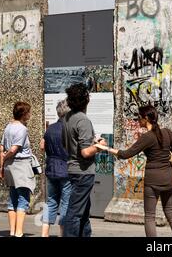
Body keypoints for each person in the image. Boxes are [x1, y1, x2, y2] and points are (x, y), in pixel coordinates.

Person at [101, 105, 172, 237]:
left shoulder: (147, 137)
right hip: (168, 178)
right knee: (171, 213)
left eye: (139, 117)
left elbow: (126, 154)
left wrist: (106, 149)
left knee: (150, 217)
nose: (137, 120)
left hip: (152, 180)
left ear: (146, 118)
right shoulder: (167, 132)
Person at [62, 83, 106, 237]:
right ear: (86, 100)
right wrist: (99, 145)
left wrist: (92, 140)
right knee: (75, 213)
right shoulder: (83, 120)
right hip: (83, 172)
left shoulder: (67, 117)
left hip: (72, 169)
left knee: (83, 212)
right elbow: (86, 152)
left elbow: (68, 142)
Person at [0, 101, 35, 237]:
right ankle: (19, 232)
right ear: (24, 114)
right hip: (20, 165)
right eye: (29, 112)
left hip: (9, 167)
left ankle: (12, 231)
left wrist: (3, 164)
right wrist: (7, 156)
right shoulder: (22, 129)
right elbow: (13, 149)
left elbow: (2, 147)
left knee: (13, 197)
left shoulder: (8, 126)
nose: (30, 114)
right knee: (23, 198)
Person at [41, 99, 72, 237]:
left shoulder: (50, 129)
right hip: (66, 170)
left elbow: (43, 147)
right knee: (65, 203)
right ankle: (63, 233)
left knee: (51, 202)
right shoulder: (69, 129)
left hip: (51, 169)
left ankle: (44, 233)